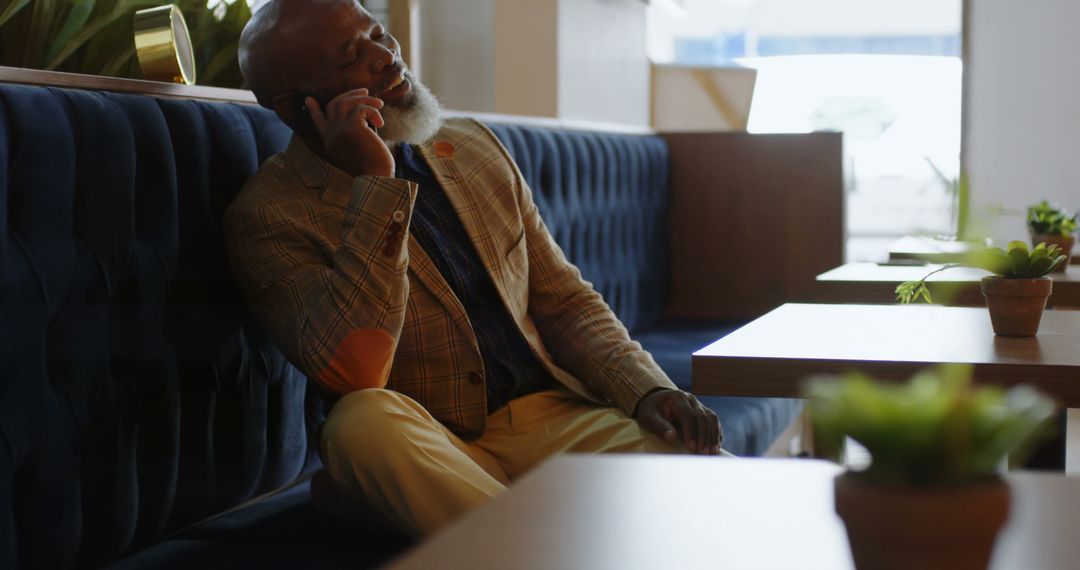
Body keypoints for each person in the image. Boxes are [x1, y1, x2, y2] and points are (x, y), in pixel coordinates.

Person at [226, 0, 726, 538]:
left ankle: (504, 535)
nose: (386, 54)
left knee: (714, 488)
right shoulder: (269, 214)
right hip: (430, 443)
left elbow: (564, 300)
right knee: (358, 424)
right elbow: (356, 372)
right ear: (298, 106)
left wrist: (649, 390)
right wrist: (376, 182)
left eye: (376, 33)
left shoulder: (471, 146)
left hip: (553, 416)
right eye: (352, 56)